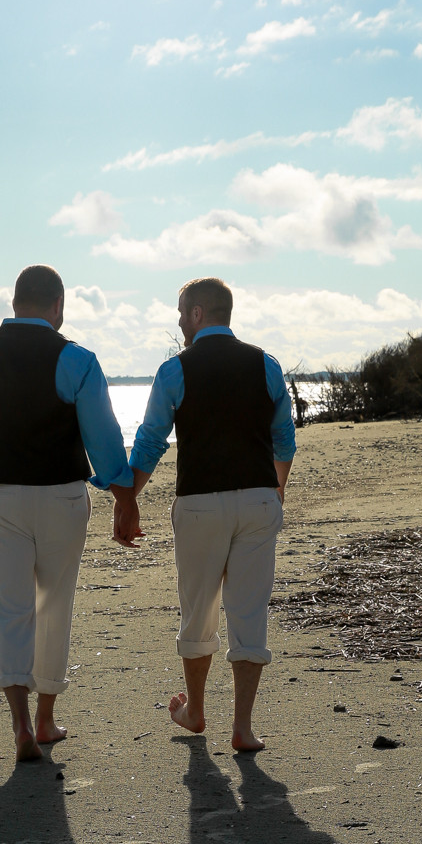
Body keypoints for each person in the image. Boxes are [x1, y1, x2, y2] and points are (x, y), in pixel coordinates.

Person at [0, 264, 137, 762]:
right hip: (61, 497)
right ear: (58, 306)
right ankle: (47, 718)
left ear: (13, 303)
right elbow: (104, 437)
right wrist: (122, 492)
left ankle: (20, 726)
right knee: (54, 604)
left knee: (8, 611)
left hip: (1, 496)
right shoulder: (75, 358)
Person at [117, 276, 295, 753]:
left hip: (199, 503)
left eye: (181, 312)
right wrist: (275, 492)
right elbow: (284, 439)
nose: (178, 321)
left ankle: (195, 710)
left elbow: (152, 440)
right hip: (258, 498)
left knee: (199, 611)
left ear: (198, 313)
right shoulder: (267, 365)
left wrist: (128, 497)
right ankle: (242, 727)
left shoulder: (175, 370)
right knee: (249, 611)